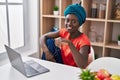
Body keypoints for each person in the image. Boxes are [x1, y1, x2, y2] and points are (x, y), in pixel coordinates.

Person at [40, 3, 91, 69]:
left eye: (74, 21)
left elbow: (83, 65)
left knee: (50, 43)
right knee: (49, 42)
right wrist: (47, 52)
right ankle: (45, 69)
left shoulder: (83, 41)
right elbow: (43, 37)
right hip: (62, 63)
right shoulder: (64, 31)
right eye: (67, 20)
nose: (69, 24)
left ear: (80, 24)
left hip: (72, 69)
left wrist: (70, 43)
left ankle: (47, 69)